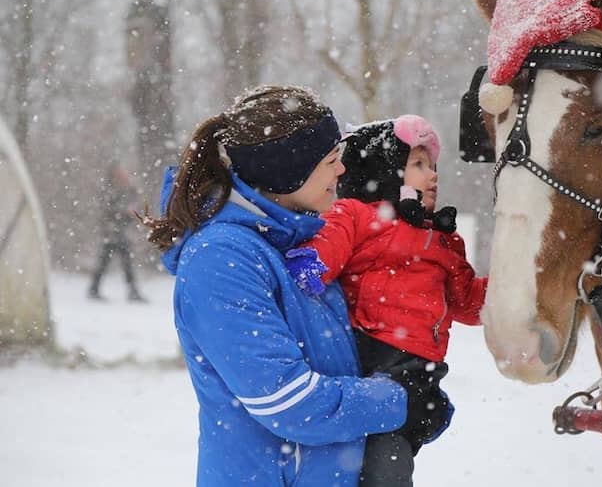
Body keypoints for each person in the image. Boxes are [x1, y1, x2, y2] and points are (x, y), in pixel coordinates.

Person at [140, 85, 408, 487]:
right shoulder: (221, 260)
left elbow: (341, 367)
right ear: (288, 170)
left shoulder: (296, 241)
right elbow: (290, 403)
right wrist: (399, 400)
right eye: (331, 159)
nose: (341, 171)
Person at [287, 114, 488, 486]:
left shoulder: (444, 240)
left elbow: (467, 302)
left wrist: (508, 293)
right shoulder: (360, 214)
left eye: (432, 166)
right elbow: (330, 244)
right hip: (373, 360)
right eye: (418, 164)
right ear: (385, 167)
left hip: (420, 374)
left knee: (389, 461)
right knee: (379, 468)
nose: (432, 175)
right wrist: (311, 264)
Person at [88, 161, 146, 302]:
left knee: (124, 262)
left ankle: (131, 290)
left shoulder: (129, 190)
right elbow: (106, 210)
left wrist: (131, 213)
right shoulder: (108, 190)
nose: (123, 175)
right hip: (111, 232)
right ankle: (95, 289)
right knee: (106, 262)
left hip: (122, 232)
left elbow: (135, 207)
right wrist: (123, 212)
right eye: (120, 173)